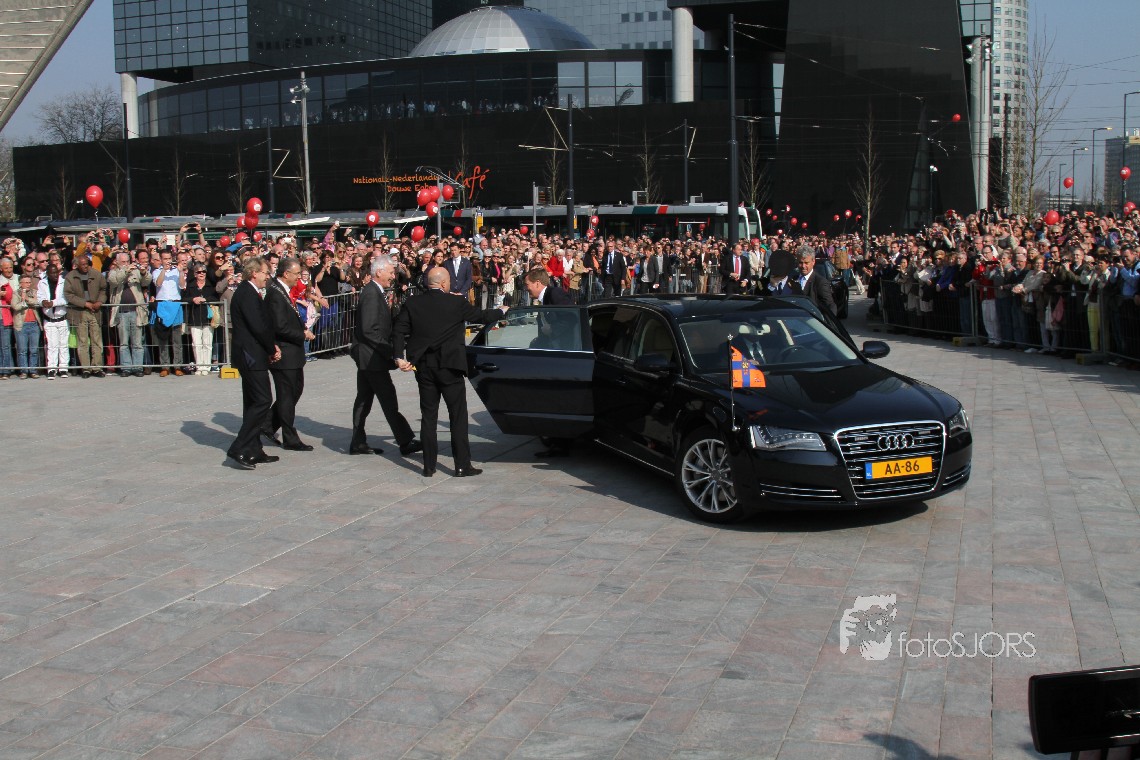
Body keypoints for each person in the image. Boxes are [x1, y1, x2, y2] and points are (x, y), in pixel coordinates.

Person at [394, 267, 508, 477]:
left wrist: (399, 357)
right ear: (444, 284)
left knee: (428, 416)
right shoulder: (456, 303)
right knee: (457, 415)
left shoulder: (413, 302)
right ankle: (462, 465)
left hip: (424, 367)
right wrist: (501, 310)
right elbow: (482, 316)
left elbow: (399, 330)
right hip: (450, 367)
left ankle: (429, 466)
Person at [349, 255, 422, 457]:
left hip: (369, 357)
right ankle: (405, 440)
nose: (393, 276)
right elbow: (369, 330)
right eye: (390, 272)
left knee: (364, 400)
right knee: (387, 398)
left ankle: (358, 441)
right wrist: (392, 353)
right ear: (379, 271)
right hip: (371, 357)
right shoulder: (372, 293)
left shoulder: (375, 291)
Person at [226, 257, 280, 470]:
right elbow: (258, 326)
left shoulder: (249, 291)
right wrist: (271, 348)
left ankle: (254, 449)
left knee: (252, 402)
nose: (267, 277)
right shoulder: (247, 293)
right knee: (262, 400)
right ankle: (239, 446)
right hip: (250, 355)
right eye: (265, 272)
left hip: (252, 353)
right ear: (254, 273)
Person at [262, 256, 315, 450]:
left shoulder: (282, 290)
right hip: (284, 353)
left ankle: (267, 424)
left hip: (292, 353)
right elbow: (280, 326)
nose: (298, 278)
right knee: (286, 395)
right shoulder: (275, 293)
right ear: (286, 274)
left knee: (295, 391)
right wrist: (302, 334)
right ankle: (290, 438)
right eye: (296, 274)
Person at [107, 251, 151, 377]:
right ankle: (126, 368)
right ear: (117, 262)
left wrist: (143, 272)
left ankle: (138, 367)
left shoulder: (135, 272)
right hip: (121, 312)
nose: (126, 264)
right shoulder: (113, 273)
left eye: (127, 261)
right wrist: (125, 271)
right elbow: (115, 281)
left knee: (137, 343)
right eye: (123, 262)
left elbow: (147, 281)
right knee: (124, 343)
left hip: (136, 311)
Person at [63, 252, 108, 377]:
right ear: (77, 265)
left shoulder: (96, 274)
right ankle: (86, 368)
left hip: (95, 311)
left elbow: (103, 289)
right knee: (82, 341)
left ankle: (97, 367)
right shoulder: (71, 277)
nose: (85, 266)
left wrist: (100, 301)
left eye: (87, 264)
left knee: (96, 340)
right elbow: (68, 294)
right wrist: (84, 303)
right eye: (82, 264)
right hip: (79, 312)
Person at [796, 245, 836, 316]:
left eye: (806, 263)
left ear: (813, 262)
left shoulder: (820, 282)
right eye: (800, 263)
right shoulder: (793, 279)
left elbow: (830, 306)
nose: (803, 266)